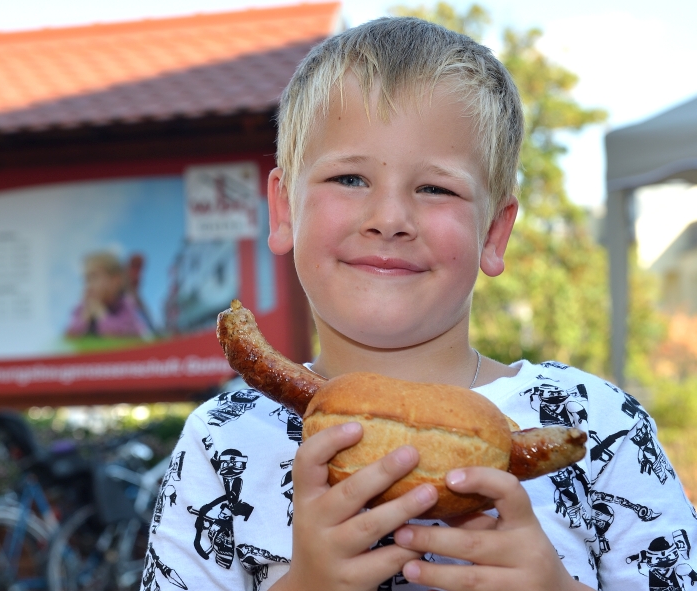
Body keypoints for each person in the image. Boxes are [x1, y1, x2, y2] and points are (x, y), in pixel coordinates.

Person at [142, 17, 696, 591]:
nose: (389, 219)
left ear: (494, 233)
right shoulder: (222, 440)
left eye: (436, 188)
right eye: (349, 178)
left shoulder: (599, 427)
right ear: (284, 210)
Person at [65, 251, 151, 339]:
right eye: (87, 280)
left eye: (94, 277)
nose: (88, 286)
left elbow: (120, 335)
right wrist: (84, 318)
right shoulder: (82, 308)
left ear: (115, 281)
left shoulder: (126, 307)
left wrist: (101, 314)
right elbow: (69, 337)